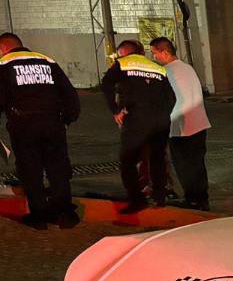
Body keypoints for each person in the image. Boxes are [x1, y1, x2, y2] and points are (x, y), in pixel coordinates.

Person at [0, 32, 81, 229]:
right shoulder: (47, 61)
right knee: (58, 168)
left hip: (23, 126)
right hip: (53, 124)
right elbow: (69, 94)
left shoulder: (4, 65)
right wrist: (66, 119)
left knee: (30, 170)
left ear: (3, 48)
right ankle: (65, 214)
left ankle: (39, 216)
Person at [100, 40, 173, 214]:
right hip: (161, 121)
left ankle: (136, 200)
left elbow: (106, 84)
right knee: (157, 159)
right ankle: (160, 197)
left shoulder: (123, 63)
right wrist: (164, 115)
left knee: (128, 161)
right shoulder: (158, 68)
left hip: (136, 119)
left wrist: (116, 110)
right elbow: (171, 97)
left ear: (124, 53)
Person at [149, 37, 210, 210]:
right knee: (197, 164)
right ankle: (201, 198)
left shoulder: (166, 72)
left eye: (155, 53)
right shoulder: (187, 68)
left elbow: (166, 101)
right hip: (200, 123)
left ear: (165, 52)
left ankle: (192, 200)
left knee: (184, 165)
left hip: (181, 126)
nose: (154, 57)